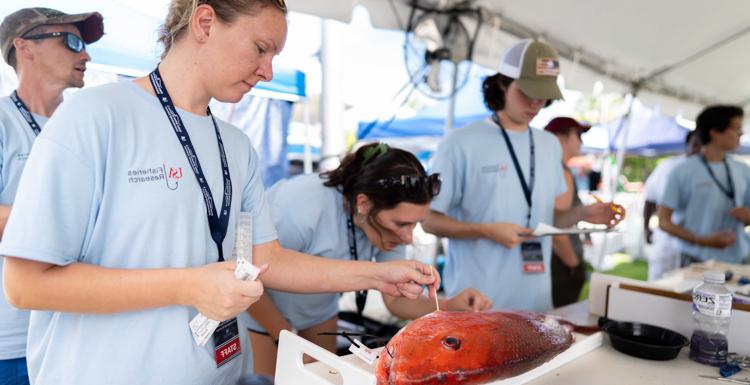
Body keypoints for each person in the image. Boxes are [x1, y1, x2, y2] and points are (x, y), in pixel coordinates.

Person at [0, 2, 438, 384]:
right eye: (260, 48)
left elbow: (269, 259)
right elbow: (26, 284)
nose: (268, 70)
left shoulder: (236, 145)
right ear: (205, 23)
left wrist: (377, 275)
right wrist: (189, 285)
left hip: (220, 371)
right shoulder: (96, 116)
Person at [246, 143, 492, 377]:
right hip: (259, 309)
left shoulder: (385, 224)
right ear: (363, 203)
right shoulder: (298, 209)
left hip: (318, 313)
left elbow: (396, 301)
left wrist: (450, 305)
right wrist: (284, 335)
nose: (408, 238)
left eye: (415, 224)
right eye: (401, 224)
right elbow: (247, 273)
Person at [422, 39, 624, 312]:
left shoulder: (549, 144)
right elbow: (429, 220)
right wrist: (486, 231)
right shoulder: (459, 143)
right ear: (503, 83)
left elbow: (545, 219)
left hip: (537, 302)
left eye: (543, 95)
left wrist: (583, 215)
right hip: (477, 304)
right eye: (527, 92)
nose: (536, 103)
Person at [0, 8, 103, 385]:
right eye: (72, 41)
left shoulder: (86, 127)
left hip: (80, 333)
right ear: (24, 47)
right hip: (11, 345)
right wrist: (67, 216)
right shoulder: (3, 123)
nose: (86, 55)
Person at [659, 105, 750, 265]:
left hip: (737, 259)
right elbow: (664, 221)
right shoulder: (682, 171)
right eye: (736, 128)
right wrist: (701, 240)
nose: (740, 133)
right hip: (695, 260)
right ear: (714, 132)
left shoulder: (742, 169)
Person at [543, 117, 590, 307]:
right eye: (578, 135)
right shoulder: (561, 172)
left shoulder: (549, 168)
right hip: (561, 263)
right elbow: (556, 227)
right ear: (561, 137)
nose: (581, 141)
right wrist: (573, 265)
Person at [642, 130, 701, 280]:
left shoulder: (714, 170)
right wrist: (646, 228)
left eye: (702, 145)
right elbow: (650, 198)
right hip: (667, 241)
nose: (698, 149)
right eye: (695, 144)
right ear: (688, 145)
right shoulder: (669, 166)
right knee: (658, 286)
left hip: (696, 245)